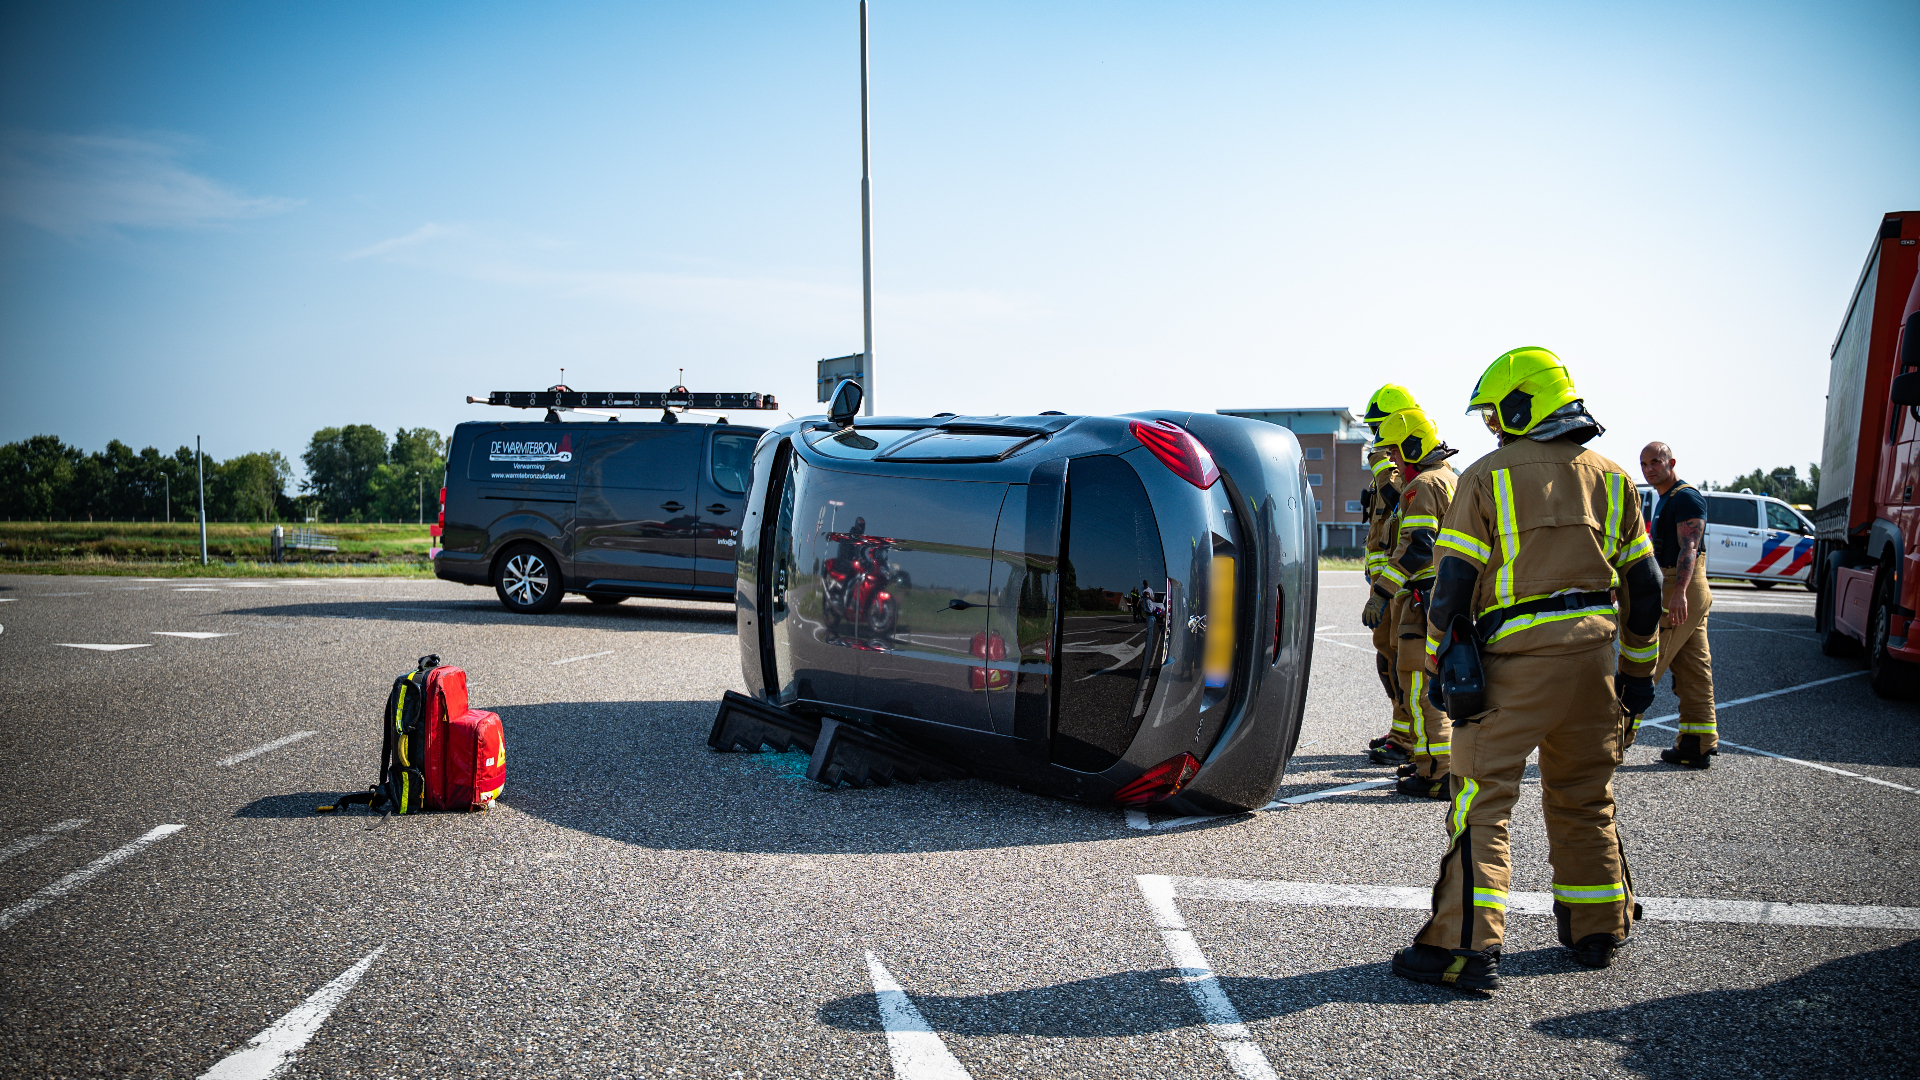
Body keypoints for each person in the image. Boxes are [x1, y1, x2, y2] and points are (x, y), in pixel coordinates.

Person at [1391, 346, 1662, 991]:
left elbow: (1453, 588)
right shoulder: (1616, 477)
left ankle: (1464, 947)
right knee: (1585, 796)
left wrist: (1435, 664)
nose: (1490, 427)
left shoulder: (1486, 478)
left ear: (1522, 404)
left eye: (1495, 413)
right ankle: (1599, 927)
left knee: (1482, 802)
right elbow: (1646, 587)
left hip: (1515, 664)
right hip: (1596, 661)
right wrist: (1637, 671)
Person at [1370, 409, 1459, 798]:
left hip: (1422, 603)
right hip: (1442, 598)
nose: (1393, 462)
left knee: (1421, 687)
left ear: (1410, 447)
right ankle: (1430, 763)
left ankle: (1438, 774)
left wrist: (1382, 593)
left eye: (1394, 452)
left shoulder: (1422, 485)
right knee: (1430, 686)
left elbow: (1417, 546)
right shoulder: (1451, 478)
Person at [1637, 442, 1716, 768]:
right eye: (1644, 464)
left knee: (1645, 665)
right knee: (1693, 669)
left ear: (1671, 462)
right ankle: (1696, 743)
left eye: (1656, 461)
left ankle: (1607, 745)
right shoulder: (1665, 497)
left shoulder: (1685, 496)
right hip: (1678, 586)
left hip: (1680, 586)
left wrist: (1679, 593)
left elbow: (1690, 548)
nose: (1649, 468)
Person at [1362, 384, 1422, 765]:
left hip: (1403, 585)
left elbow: (1396, 498)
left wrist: (1384, 465)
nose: (1376, 438)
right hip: (1386, 585)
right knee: (1388, 659)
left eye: (1380, 427)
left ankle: (1410, 737)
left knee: (1403, 661)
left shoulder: (1409, 467)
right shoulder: (1393, 464)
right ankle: (1402, 730)